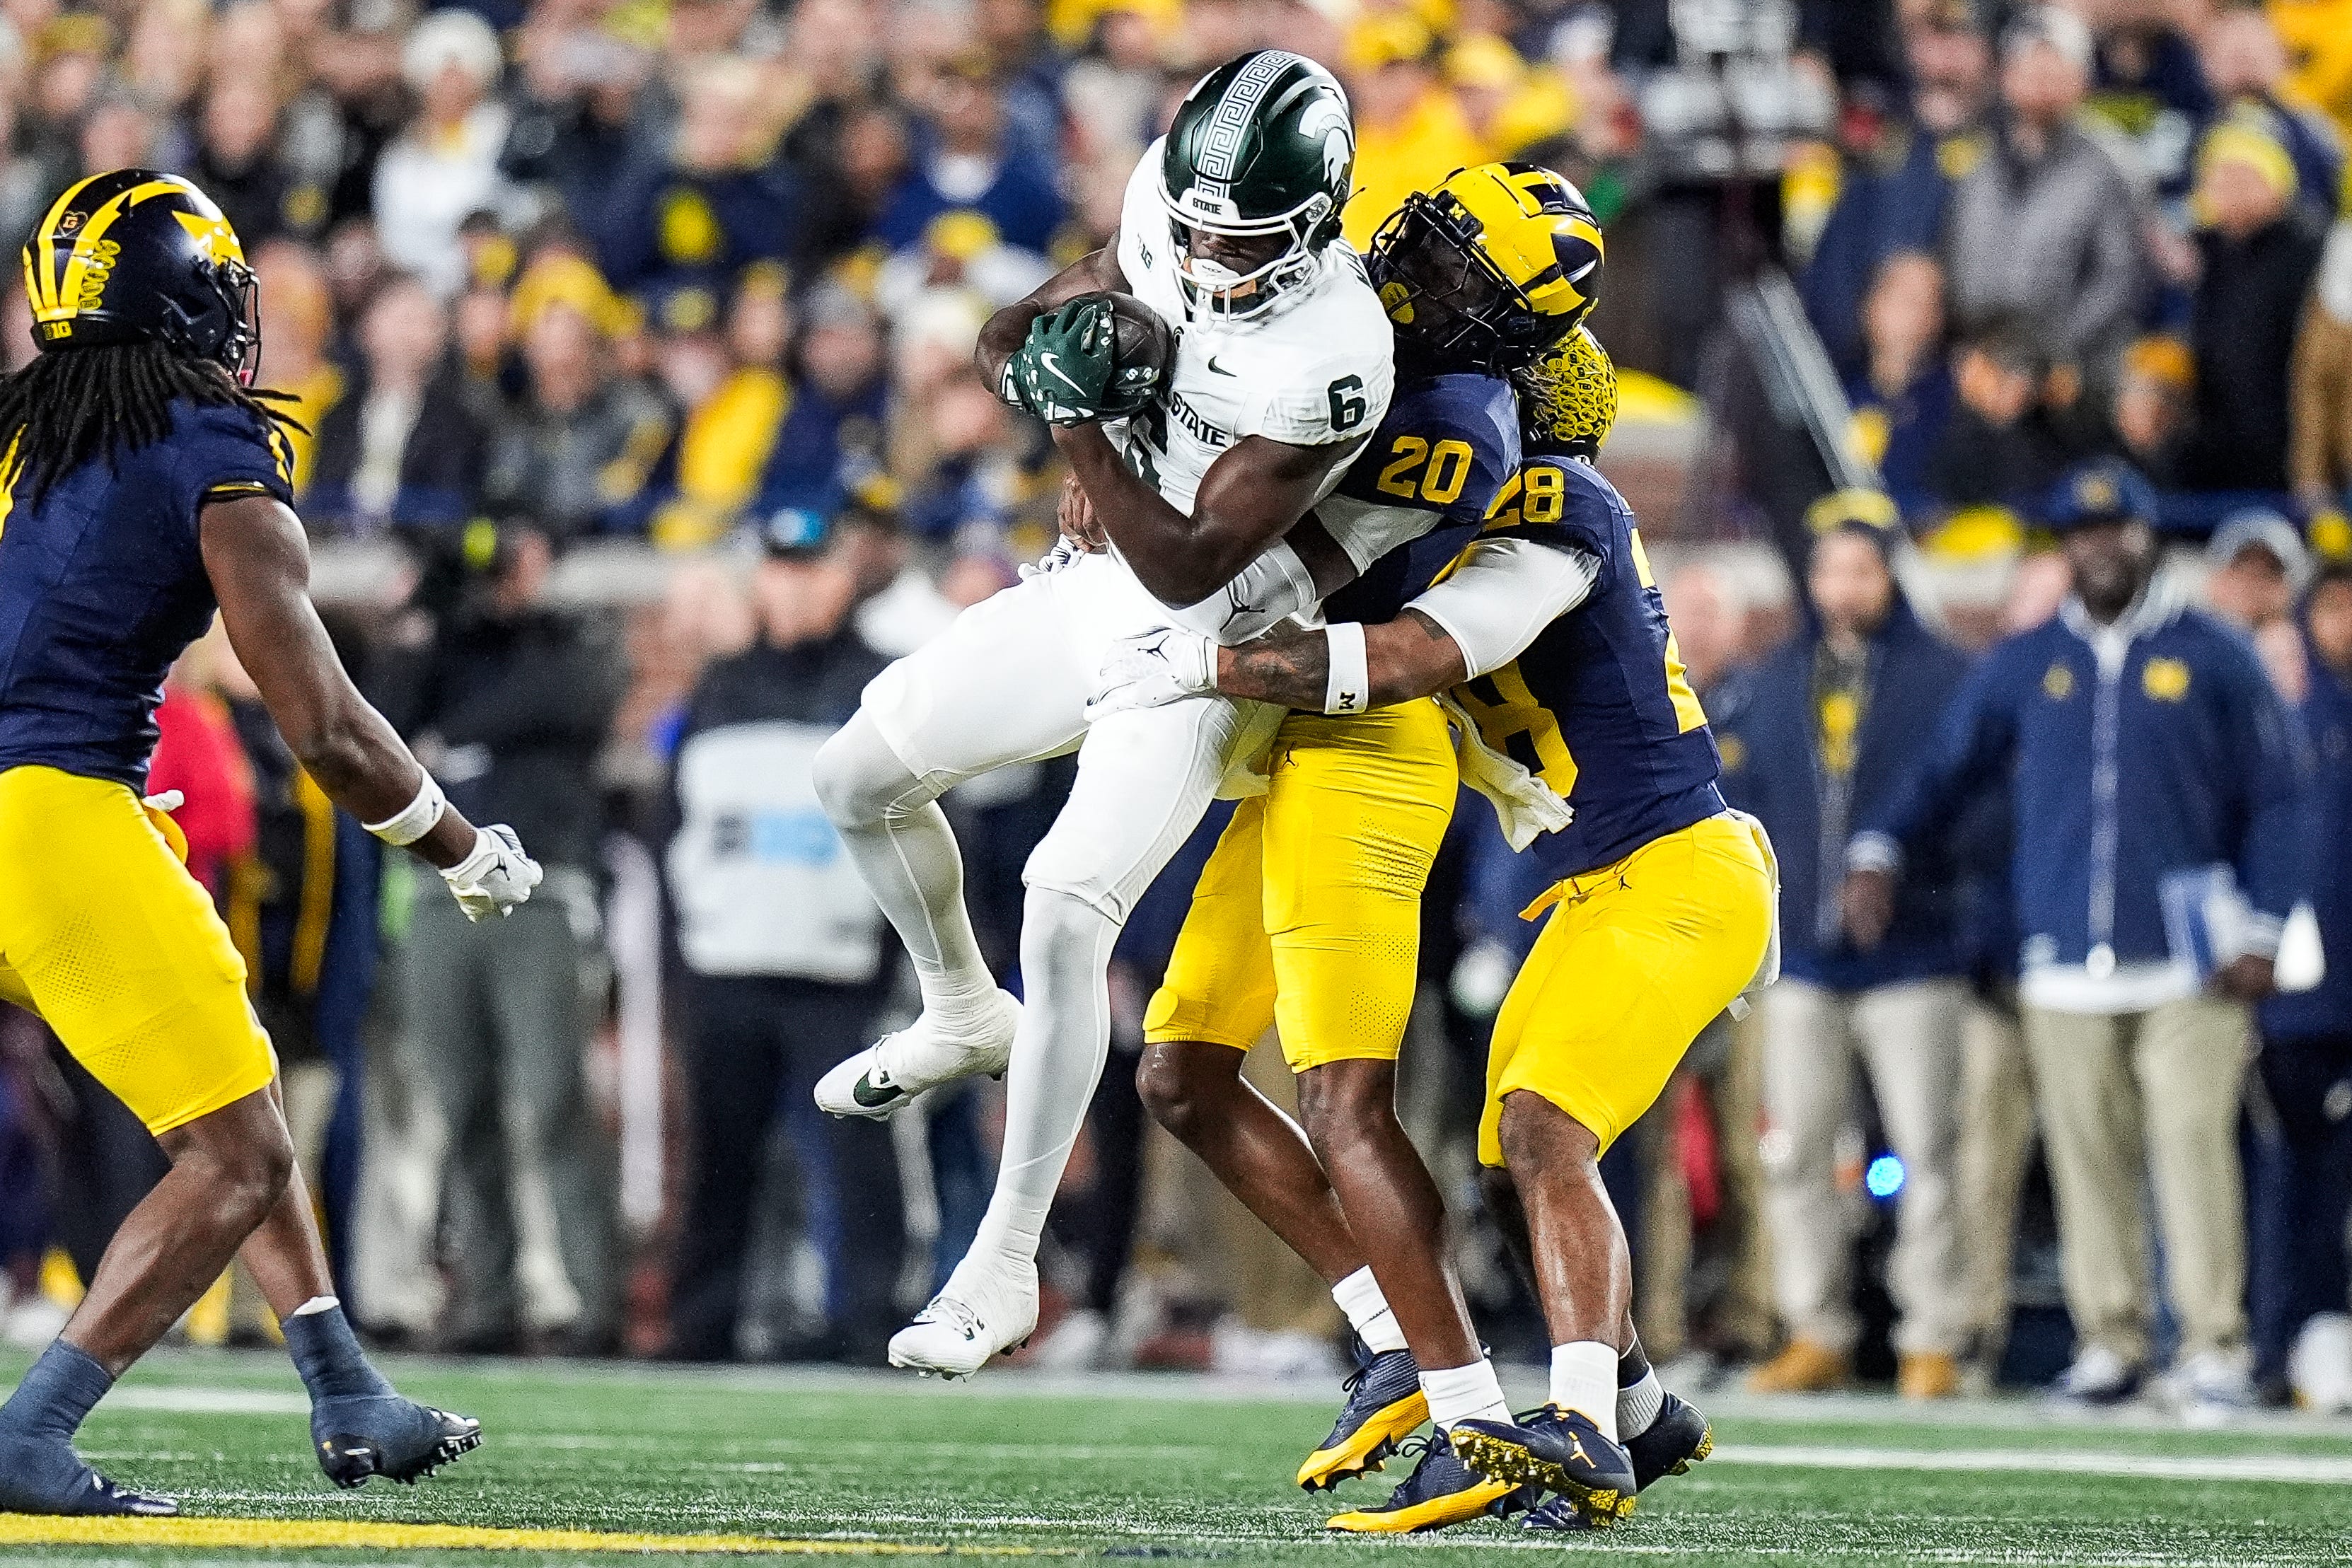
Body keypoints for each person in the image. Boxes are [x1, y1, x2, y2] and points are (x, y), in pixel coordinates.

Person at [1096, 323, 1773, 1531]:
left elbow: (1408, 657)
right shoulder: (1472, 520)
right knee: (1511, 1149)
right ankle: (1634, 1399)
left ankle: (1574, 1424)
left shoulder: (1561, 507)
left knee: (1540, 1130)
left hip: (1676, 870)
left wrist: (1211, 663)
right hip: (1599, 883)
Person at [805, 51, 1398, 1377]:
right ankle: (960, 1006)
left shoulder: (1335, 351)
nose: (1203, 254)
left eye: (1236, 239)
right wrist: (1054, 368)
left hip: (1204, 642)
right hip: (1093, 581)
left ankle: (1004, 1264)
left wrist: (1083, 437)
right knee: (853, 777)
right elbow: (1013, 334)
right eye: (1190, 225)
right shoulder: (1172, 205)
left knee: (1068, 904)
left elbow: (1194, 560)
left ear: (1317, 221)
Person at [0, 170, 540, 1516]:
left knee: (239, 1102)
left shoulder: (23, 434)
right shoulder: (208, 444)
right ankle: (31, 1433)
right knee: (232, 1154)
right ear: (192, 296)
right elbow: (327, 728)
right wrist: (460, 844)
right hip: (50, 812)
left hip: (50, 805)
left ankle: (344, 1387)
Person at [1103, 163, 1600, 1533]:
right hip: (1273, 732)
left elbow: (1262, 567)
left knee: (1343, 1099)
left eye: (1453, 274)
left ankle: (1475, 1413)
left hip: (1355, 735)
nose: (1411, 263)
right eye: (1429, 237)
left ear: (1500, 333)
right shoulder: (1351, 313)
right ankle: (1392, 1329)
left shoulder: (1449, 418)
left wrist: (1122, 472)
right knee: (1183, 1074)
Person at [1843, 458, 2305, 1418]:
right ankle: (2111, 1343)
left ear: (2147, 540)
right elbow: (1945, 769)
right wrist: (1881, 845)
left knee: (2188, 1144)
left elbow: (2279, 798)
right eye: (2081, 534)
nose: (2099, 548)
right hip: (2063, 956)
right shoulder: (2023, 661)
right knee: (2089, 1159)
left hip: (2194, 957)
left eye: (2116, 531)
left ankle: (2213, 1344)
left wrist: (2266, 921)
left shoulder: (2213, 653)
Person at [1715, 492, 1977, 1400]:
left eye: (1860, 569)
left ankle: (1932, 1336)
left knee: (1929, 1154)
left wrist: (1928, 886)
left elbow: (1975, 807)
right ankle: (1814, 1325)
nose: (1843, 587)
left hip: (1915, 953)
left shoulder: (1945, 677)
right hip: (1801, 959)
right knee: (1794, 1152)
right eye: (1830, 568)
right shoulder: (1772, 677)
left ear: (1888, 575)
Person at [662, 510, 902, 1364]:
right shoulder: (717, 686)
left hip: (840, 965)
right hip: (725, 961)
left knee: (859, 1154)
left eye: (812, 568)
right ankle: (701, 1325)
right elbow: (676, 825)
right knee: (719, 1155)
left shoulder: (886, 685)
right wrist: (675, 958)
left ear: (844, 577)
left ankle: (873, 1321)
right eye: (780, 568)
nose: (794, 586)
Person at [388, 523, 622, 1356]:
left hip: (543, 892)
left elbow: (569, 703)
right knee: (462, 1105)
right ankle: (488, 1299)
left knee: (556, 1097)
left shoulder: (569, 637)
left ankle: (595, 1303)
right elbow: (385, 719)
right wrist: (429, 612)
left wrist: (458, 739)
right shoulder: (448, 643)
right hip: (438, 893)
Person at [2251, 562, 2352, 1405]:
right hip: (2289, 1007)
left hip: (2329, 996)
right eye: (2331, 604)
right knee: (2285, 1182)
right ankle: (2277, 1342)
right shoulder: (2273, 725)